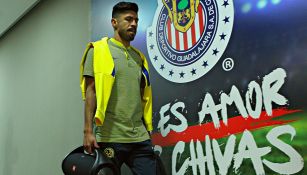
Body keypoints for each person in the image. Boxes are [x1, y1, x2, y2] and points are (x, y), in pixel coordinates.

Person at [79, 1, 156, 175]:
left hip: (140, 138)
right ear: (114, 22)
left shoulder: (139, 58)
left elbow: (143, 97)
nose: (134, 24)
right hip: (109, 137)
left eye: (136, 20)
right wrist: (88, 131)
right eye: (128, 19)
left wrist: (148, 130)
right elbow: (91, 92)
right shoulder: (97, 50)